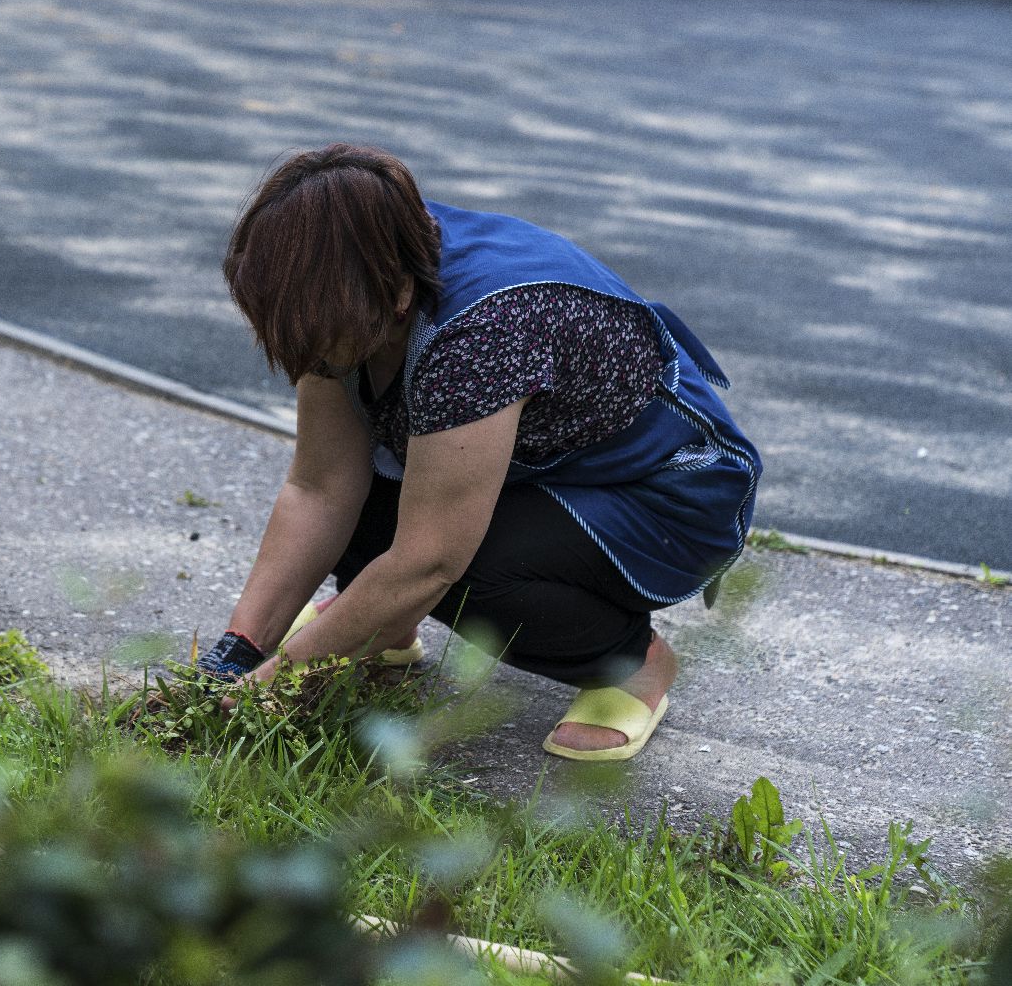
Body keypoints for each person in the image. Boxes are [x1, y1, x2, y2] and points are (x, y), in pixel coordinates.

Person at [195, 144, 761, 762]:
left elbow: (430, 561)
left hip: (667, 496)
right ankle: (380, 627)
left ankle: (633, 665)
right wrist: (237, 655)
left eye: (317, 338)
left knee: (456, 570)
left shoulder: (480, 331)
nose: (306, 353)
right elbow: (321, 487)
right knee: (366, 513)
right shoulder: (345, 266)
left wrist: (270, 689)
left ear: (398, 294)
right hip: (541, 466)